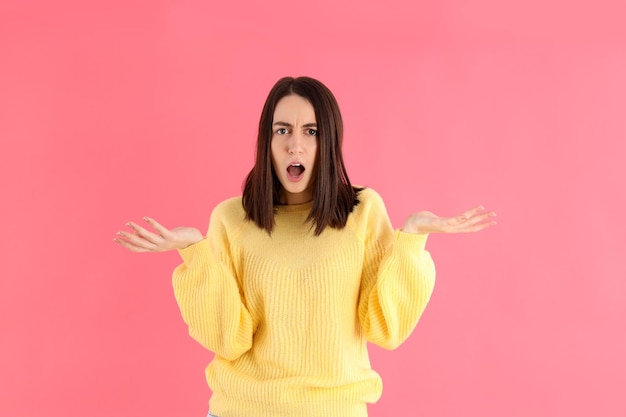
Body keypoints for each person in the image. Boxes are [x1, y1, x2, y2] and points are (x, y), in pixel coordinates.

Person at [114, 76, 496, 417]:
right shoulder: (232, 219)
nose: (295, 145)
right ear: (267, 140)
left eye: (311, 131)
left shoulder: (362, 213)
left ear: (328, 140)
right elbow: (229, 339)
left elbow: (385, 327)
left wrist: (411, 240)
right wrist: (196, 252)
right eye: (283, 130)